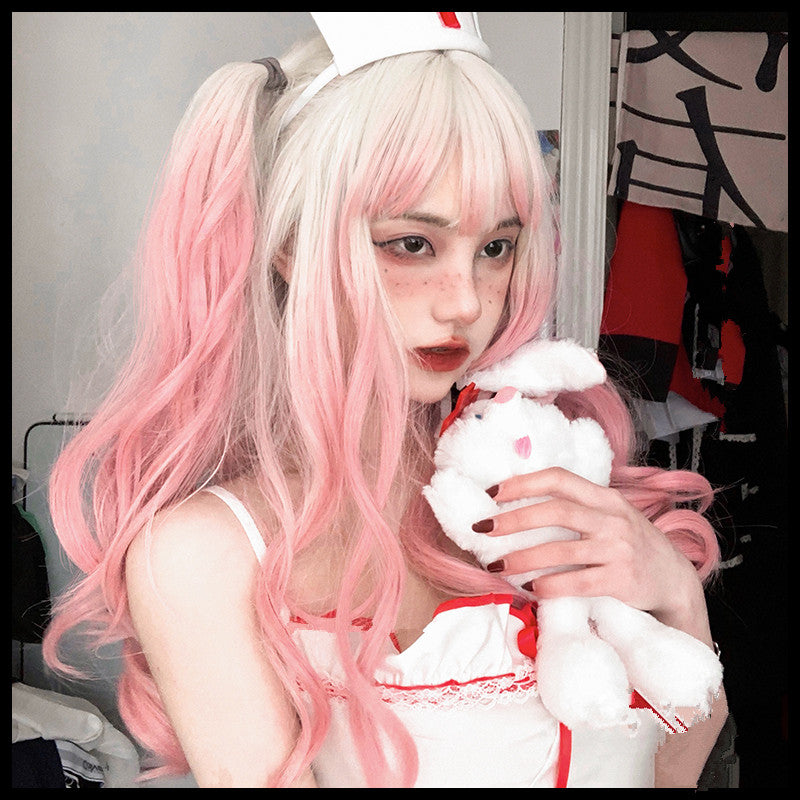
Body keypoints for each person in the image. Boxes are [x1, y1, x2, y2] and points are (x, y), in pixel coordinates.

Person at [43, 12, 727, 788]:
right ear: (291, 245)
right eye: (412, 243)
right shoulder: (205, 556)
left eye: (496, 247)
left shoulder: (547, 475)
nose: (465, 301)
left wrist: (676, 593)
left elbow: (673, 773)